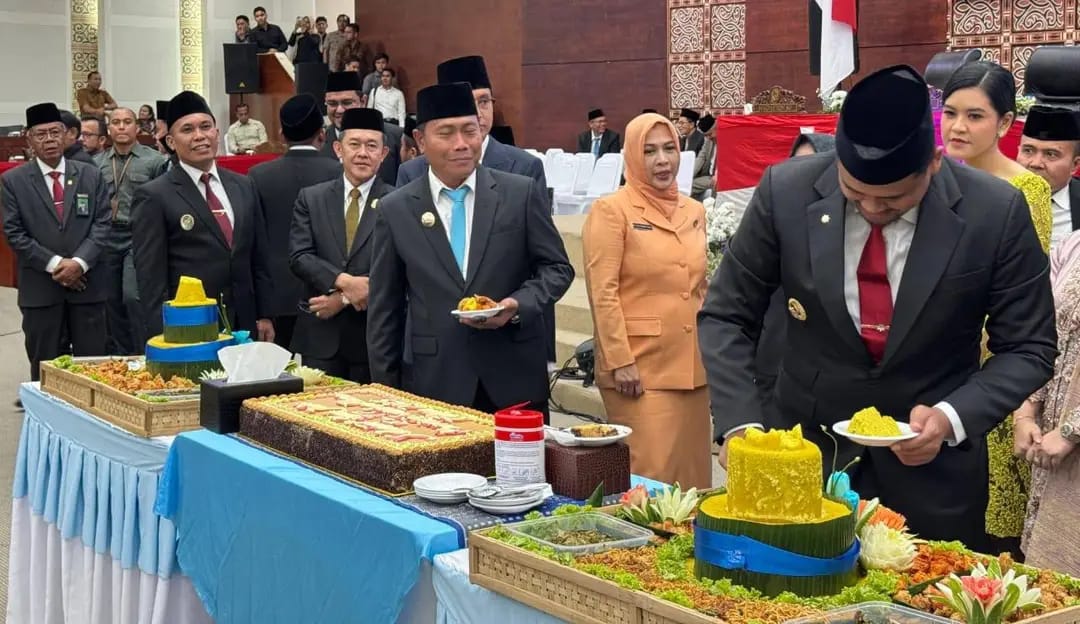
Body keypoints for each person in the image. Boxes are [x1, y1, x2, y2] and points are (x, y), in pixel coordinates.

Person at [697, 65, 1057, 551]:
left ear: (933, 163)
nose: (871, 210)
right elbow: (727, 315)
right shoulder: (787, 192)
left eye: (892, 202)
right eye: (855, 194)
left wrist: (951, 417)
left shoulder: (994, 212)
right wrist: (742, 424)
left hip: (932, 476)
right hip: (804, 459)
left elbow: (1029, 346)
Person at [367, 82, 573, 418]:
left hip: (514, 376)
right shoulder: (396, 209)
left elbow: (557, 268)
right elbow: (384, 309)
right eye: (446, 133)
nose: (461, 144)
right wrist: (387, 395)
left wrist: (517, 304)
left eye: (470, 130)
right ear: (420, 141)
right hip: (435, 381)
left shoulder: (518, 194)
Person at [941, 60, 1053, 555]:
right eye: (950, 113)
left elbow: (1027, 296)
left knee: (992, 520)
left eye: (975, 116)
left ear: (1005, 123)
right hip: (939, 358)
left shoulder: (1024, 190)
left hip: (995, 364)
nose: (958, 127)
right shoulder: (937, 182)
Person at [395, 56, 555, 364]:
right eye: (470, 103)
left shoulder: (523, 169)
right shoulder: (411, 174)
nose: (478, 113)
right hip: (435, 351)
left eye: (484, 102)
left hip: (508, 347)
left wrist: (519, 310)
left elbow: (545, 262)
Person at [581, 113, 711, 488]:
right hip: (639, 372)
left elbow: (699, 287)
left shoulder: (694, 210)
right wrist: (620, 360)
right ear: (633, 156)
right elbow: (602, 291)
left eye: (670, 148)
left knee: (694, 482)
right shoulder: (612, 210)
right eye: (649, 151)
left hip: (692, 367)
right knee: (652, 485)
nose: (662, 160)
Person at [131, 91, 275, 342]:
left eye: (205, 127)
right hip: (190, 326)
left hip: (244, 322)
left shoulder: (243, 185)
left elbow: (259, 257)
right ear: (171, 141)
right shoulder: (154, 195)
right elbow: (151, 277)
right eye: (187, 129)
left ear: (217, 133)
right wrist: (161, 335)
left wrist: (265, 314)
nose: (199, 136)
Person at [1, 103, 111, 382]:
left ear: (66, 135)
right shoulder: (13, 181)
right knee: (45, 368)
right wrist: (57, 265)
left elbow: (102, 224)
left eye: (54, 132)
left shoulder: (89, 174)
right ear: (29, 139)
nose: (49, 139)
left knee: (92, 368)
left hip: (88, 286)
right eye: (41, 134)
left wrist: (79, 263)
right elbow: (14, 233)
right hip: (41, 289)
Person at [290, 107, 394, 380]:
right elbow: (300, 256)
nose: (362, 153)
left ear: (383, 154)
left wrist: (343, 299)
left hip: (374, 340)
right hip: (320, 338)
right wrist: (344, 282)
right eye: (354, 144)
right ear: (338, 149)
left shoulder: (398, 202)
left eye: (372, 146)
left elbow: (399, 268)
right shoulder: (312, 198)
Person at [248, 94, 342, 351]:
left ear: (281, 134)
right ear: (322, 134)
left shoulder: (258, 175)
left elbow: (252, 240)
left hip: (275, 297)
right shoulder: (339, 173)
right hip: (328, 293)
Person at [1013, 230, 1080, 575]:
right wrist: (1025, 412)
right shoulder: (1073, 245)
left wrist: (1071, 432)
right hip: (1051, 450)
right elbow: (1045, 334)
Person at [98, 107, 169, 354]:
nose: (121, 126)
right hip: (107, 236)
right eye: (115, 122)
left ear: (137, 127)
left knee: (132, 296)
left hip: (138, 236)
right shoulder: (97, 163)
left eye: (127, 121)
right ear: (108, 129)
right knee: (110, 299)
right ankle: (121, 354)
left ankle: (143, 351)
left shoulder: (155, 161)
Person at [321, 71, 402, 186]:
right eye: (332, 104)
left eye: (347, 103)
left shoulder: (394, 136)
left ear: (363, 101)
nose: (339, 110)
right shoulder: (320, 142)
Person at [1018, 106, 1080, 248]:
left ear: (1075, 165)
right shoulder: (995, 197)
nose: (1035, 163)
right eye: (1028, 151)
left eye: (1051, 154)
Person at [690, 114, 717, 200]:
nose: (708, 138)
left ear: (716, 128)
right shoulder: (708, 140)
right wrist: (689, 175)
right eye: (706, 135)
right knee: (688, 184)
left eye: (710, 134)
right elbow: (701, 158)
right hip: (709, 176)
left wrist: (718, 174)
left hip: (720, 177)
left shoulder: (727, 140)